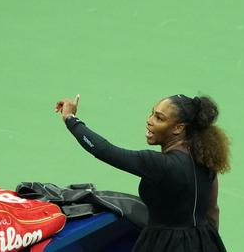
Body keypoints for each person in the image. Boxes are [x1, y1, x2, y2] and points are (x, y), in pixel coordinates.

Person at [54, 94, 230, 252]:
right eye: (152, 113)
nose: (149, 120)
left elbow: (103, 150)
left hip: (163, 244)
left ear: (178, 128)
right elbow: (212, 210)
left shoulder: (159, 164)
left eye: (159, 118)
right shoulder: (205, 159)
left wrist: (71, 119)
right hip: (205, 240)